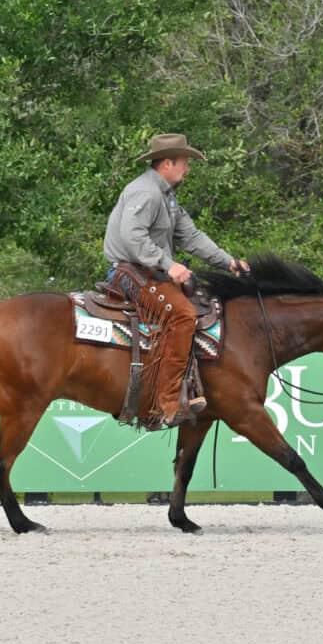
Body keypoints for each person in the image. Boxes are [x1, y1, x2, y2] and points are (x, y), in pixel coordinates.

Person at [104, 133, 248, 427]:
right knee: (182, 316)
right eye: (185, 162)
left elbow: (191, 236)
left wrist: (228, 262)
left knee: (198, 306)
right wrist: (169, 266)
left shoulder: (166, 197)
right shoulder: (146, 192)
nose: (188, 168)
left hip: (148, 272)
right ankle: (166, 402)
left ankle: (191, 389)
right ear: (167, 163)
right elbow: (132, 237)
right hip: (129, 272)